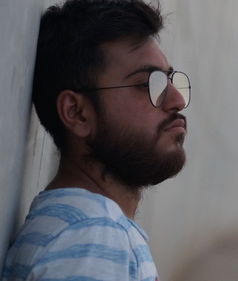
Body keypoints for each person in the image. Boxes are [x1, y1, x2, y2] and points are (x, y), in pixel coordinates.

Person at [1, 0, 191, 280]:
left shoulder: (79, 228)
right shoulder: (91, 237)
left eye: (169, 80)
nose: (176, 100)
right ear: (77, 113)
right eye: (148, 84)